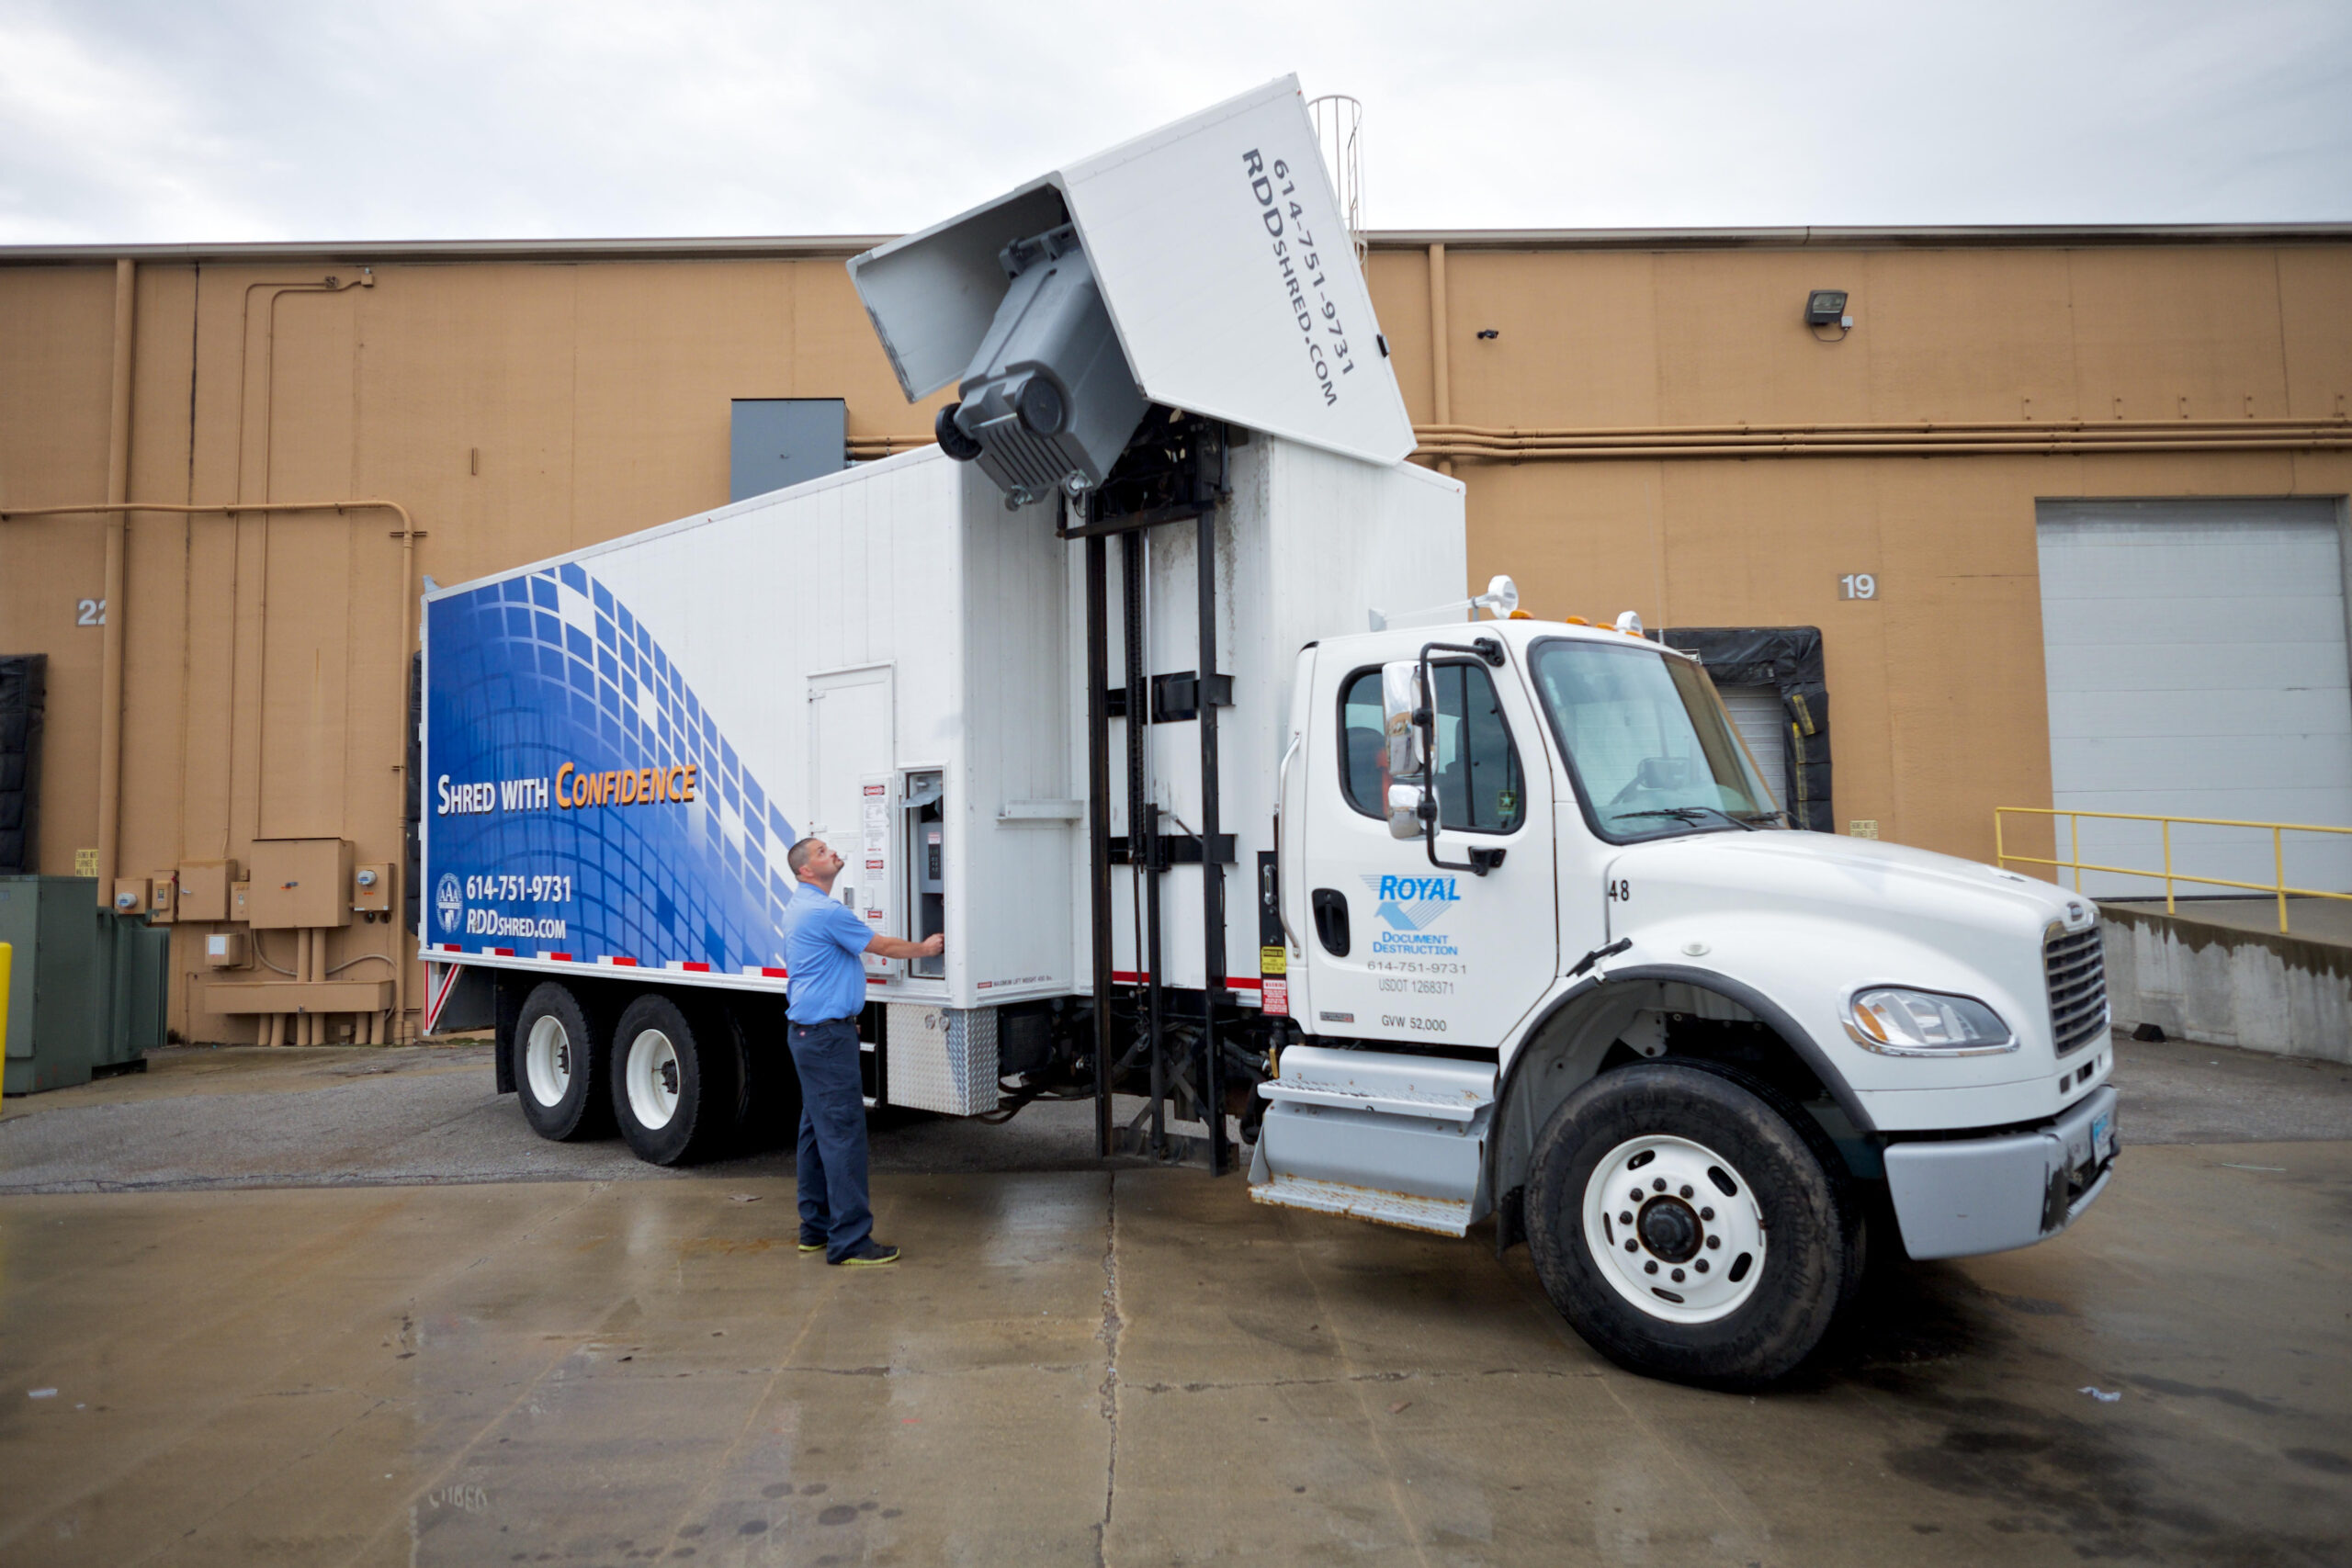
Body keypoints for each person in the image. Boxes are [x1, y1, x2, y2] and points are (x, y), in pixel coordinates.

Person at [779, 836, 944, 1267]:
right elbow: (882, 947)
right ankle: (850, 1241)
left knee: (816, 1134)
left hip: (809, 1036)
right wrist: (926, 950)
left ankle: (814, 1230)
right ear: (806, 872)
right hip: (827, 1040)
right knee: (843, 1137)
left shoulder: (799, 905)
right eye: (821, 852)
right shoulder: (824, 911)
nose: (831, 852)